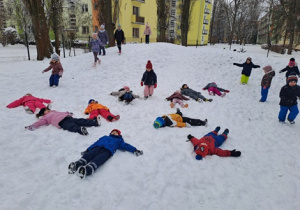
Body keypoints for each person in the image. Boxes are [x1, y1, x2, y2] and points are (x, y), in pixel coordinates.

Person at [68, 129, 143, 179]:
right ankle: (76, 165)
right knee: (88, 155)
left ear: (119, 135)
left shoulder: (119, 141)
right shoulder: (105, 137)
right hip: (97, 147)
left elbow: (126, 146)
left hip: (107, 151)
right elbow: (95, 143)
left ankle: (87, 170)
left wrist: (134, 150)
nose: (113, 133)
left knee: (98, 160)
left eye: (116, 132)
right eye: (112, 132)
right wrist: (88, 149)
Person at [25, 108, 100, 135]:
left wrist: (68, 113)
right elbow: (39, 122)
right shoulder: (45, 118)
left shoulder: (54, 112)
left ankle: (94, 122)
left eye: (48, 110)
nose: (48, 111)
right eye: (46, 111)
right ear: (43, 114)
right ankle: (80, 130)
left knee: (79, 120)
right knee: (71, 126)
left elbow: (62, 113)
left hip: (67, 117)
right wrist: (32, 126)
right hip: (61, 122)